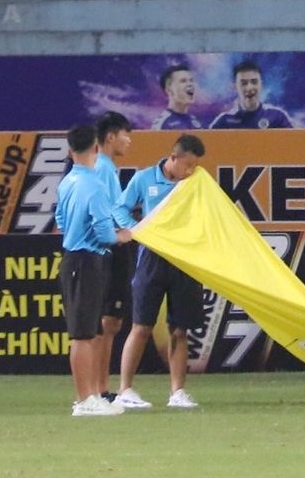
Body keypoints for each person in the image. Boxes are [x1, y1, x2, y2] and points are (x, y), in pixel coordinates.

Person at [112, 134, 207, 410]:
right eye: (186, 165)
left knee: (179, 329)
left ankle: (177, 392)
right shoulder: (144, 179)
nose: (189, 172)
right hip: (151, 258)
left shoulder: (195, 182)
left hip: (183, 258)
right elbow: (119, 207)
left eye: (194, 167)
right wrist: (135, 230)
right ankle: (125, 390)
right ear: (173, 157)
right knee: (141, 326)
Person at [53, 123, 123, 417]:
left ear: (70, 151)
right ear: (96, 148)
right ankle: (84, 400)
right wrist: (123, 236)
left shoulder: (67, 182)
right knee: (83, 335)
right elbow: (105, 232)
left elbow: (60, 220)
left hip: (72, 257)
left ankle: (92, 396)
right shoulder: (94, 184)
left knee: (90, 331)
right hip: (88, 260)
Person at [92, 112, 135, 372]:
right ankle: (99, 389)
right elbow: (100, 211)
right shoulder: (102, 169)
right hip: (108, 250)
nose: (128, 140)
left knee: (112, 322)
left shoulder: (106, 167)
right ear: (111, 137)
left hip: (111, 248)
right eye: (125, 134)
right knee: (107, 322)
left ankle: (101, 389)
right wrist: (120, 232)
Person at [209, 62, 297, 129]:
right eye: (244, 83)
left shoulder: (277, 117)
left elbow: (294, 147)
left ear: (261, 84)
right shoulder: (224, 121)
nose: (249, 87)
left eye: (254, 82)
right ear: (234, 87)